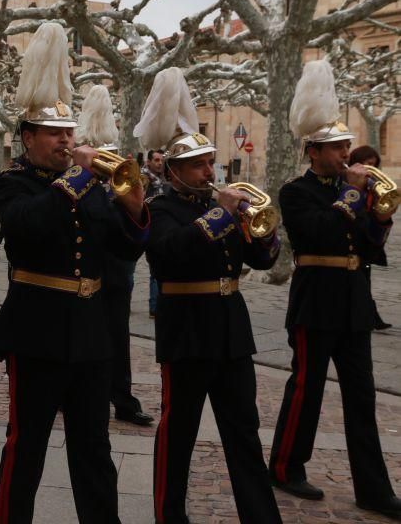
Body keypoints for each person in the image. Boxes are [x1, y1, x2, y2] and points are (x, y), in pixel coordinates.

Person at [0, 23, 148, 524]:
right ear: (29, 138)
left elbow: (126, 249)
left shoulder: (96, 188)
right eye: (56, 134)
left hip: (92, 334)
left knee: (93, 448)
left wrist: (135, 206)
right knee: (25, 446)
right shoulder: (12, 183)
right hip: (36, 331)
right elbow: (27, 229)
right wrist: (79, 176)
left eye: (70, 133)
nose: (67, 141)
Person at [134, 67, 282, 524]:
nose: (209, 170)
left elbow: (262, 262)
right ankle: (169, 515)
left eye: (211, 162)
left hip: (232, 330)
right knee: (179, 431)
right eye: (199, 164)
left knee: (243, 432)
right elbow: (169, 254)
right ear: (175, 172)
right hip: (187, 332)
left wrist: (259, 230)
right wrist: (220, 217)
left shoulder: (222, 207)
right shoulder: (161, 208)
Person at [268, 61, 400, 520]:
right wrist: (350, 197)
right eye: (336, 146)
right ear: (313, 152)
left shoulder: (356, 192)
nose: (346, 152)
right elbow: (316, 235)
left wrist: (380, 217)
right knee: (306, 388)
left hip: (353, 299)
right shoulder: (295, 192)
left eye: (345, 144)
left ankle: (373, 488)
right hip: (315, 298)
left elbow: (367, 245)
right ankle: (285, 465)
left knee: (361, 396)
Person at [76, 84, 154, 428]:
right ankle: (73, 394)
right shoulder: (76, 177)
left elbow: (135, 225)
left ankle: (123, 399)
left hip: (117, 270)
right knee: (80, 339)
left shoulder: (124, 172)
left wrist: (130, 199)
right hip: (83, 271)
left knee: (118, 340)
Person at [349, 145, 391, 330]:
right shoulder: (350, 185)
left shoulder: (372, 186)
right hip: (354, 244)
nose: (370, 168)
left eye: (374, 165)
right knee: (363, 283)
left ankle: (371, 316)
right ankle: (372, 317)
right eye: (368, 164)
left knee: (365, 281)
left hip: (367, 245)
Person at [142, 148, 167, 318]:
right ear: (149, 162)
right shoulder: (144, 178)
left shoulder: (164, 179)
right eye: (156, 160)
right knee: (154, 269)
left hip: (160, 223)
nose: (159, 163)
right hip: (147, 223)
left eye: (161, 160)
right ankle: (154, 306)